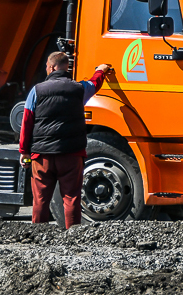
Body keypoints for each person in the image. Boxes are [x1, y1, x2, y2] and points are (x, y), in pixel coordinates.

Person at [18, 52, 113, 227]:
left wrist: (24, 151)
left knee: (40, 199)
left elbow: (27, 121)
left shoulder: (37, 90)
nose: (46, 69)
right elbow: (94, 83)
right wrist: (101, 71)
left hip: (42, 155)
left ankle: (39, 234)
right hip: (71, 154)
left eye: (47, 66)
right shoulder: (79, 89)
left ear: (53, 67)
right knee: (71, 198)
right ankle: (73, 235)